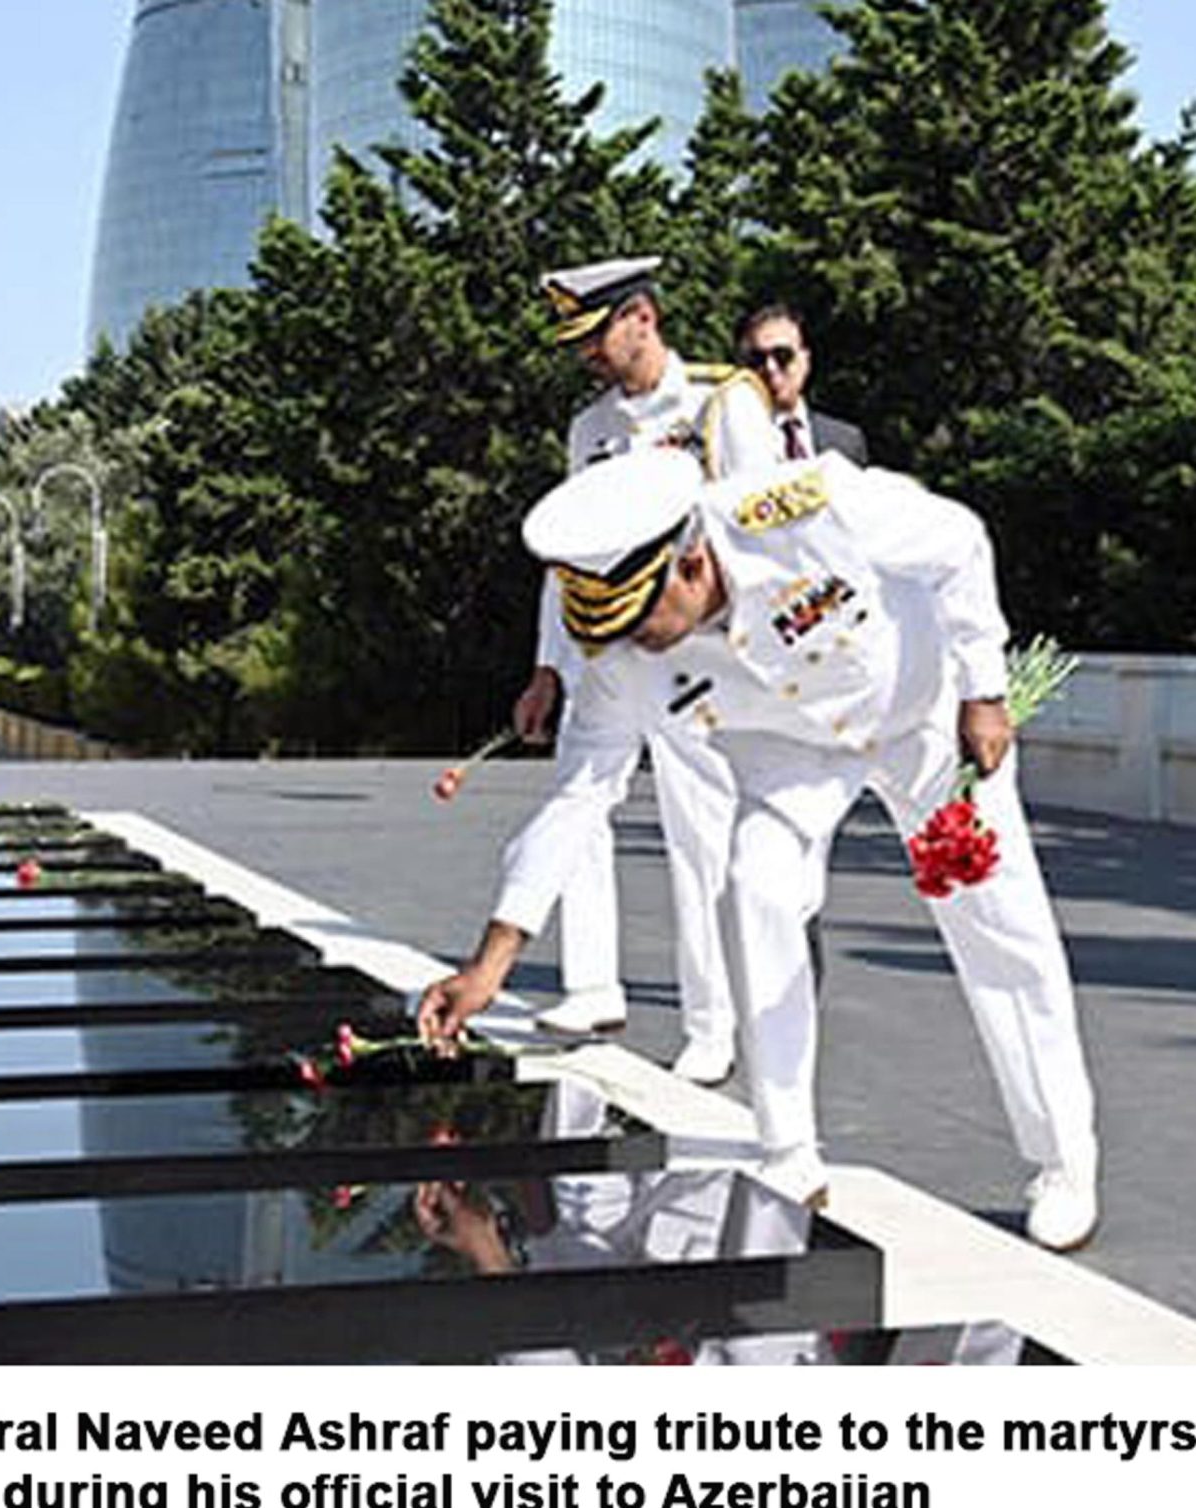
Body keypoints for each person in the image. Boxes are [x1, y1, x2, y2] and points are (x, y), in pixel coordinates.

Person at [423, 447, 1100, 1252]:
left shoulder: (803, 509)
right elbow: (577, 796)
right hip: (792, 757)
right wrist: (490, 965)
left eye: (642, 619)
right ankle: (787, 1149)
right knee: (755, 885)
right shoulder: (621, 649)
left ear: (693, 562)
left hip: (920, 714)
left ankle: (1063, 1159)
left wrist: (984, 691)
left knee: (999, 924)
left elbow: (957, 541)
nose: (636, 643)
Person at [511, 256, 781, 1086]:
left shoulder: (721, 403)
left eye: (597, 335)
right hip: (606, 655)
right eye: (579, 341)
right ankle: (591, 987)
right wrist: (546, 669)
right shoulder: (589, 429)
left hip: (694, 653)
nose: (588, 353)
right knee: (577, 804)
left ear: (642, 316)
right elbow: (566, 559)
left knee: (699, 835)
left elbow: (766, 535)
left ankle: (711, 1024)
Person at [735, 303, 869, 465]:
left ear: (805, 359)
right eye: (758, 359)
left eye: (782, 355)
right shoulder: (733, 442)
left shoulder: (846, 441)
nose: (770, 368)